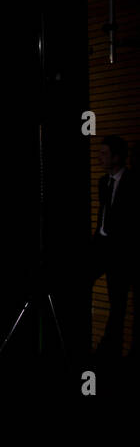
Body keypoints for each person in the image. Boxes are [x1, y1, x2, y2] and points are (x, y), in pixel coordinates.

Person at [87, 135, 136, 362]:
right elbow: (103, 216)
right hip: (102, 246)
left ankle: (111, 350)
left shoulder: (132, 182)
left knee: (118, 301)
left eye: (105, 153)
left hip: (121, 251)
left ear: (117, 157)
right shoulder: (103, 182)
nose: (100, 157)